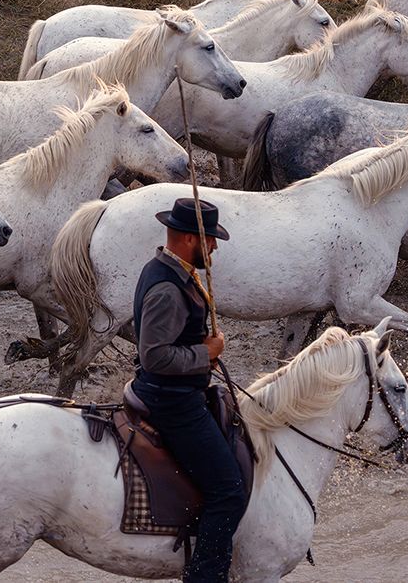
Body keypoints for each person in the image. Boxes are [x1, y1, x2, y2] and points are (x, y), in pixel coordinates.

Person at [130, 197, 246, 583]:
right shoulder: (167, 288)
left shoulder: (170, 270)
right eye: (209, 239)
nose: (214, 247)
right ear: (188, 239)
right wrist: (205, 352)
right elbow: (154, 357)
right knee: (229, 492)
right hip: (172, 402)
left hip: (180, 391)